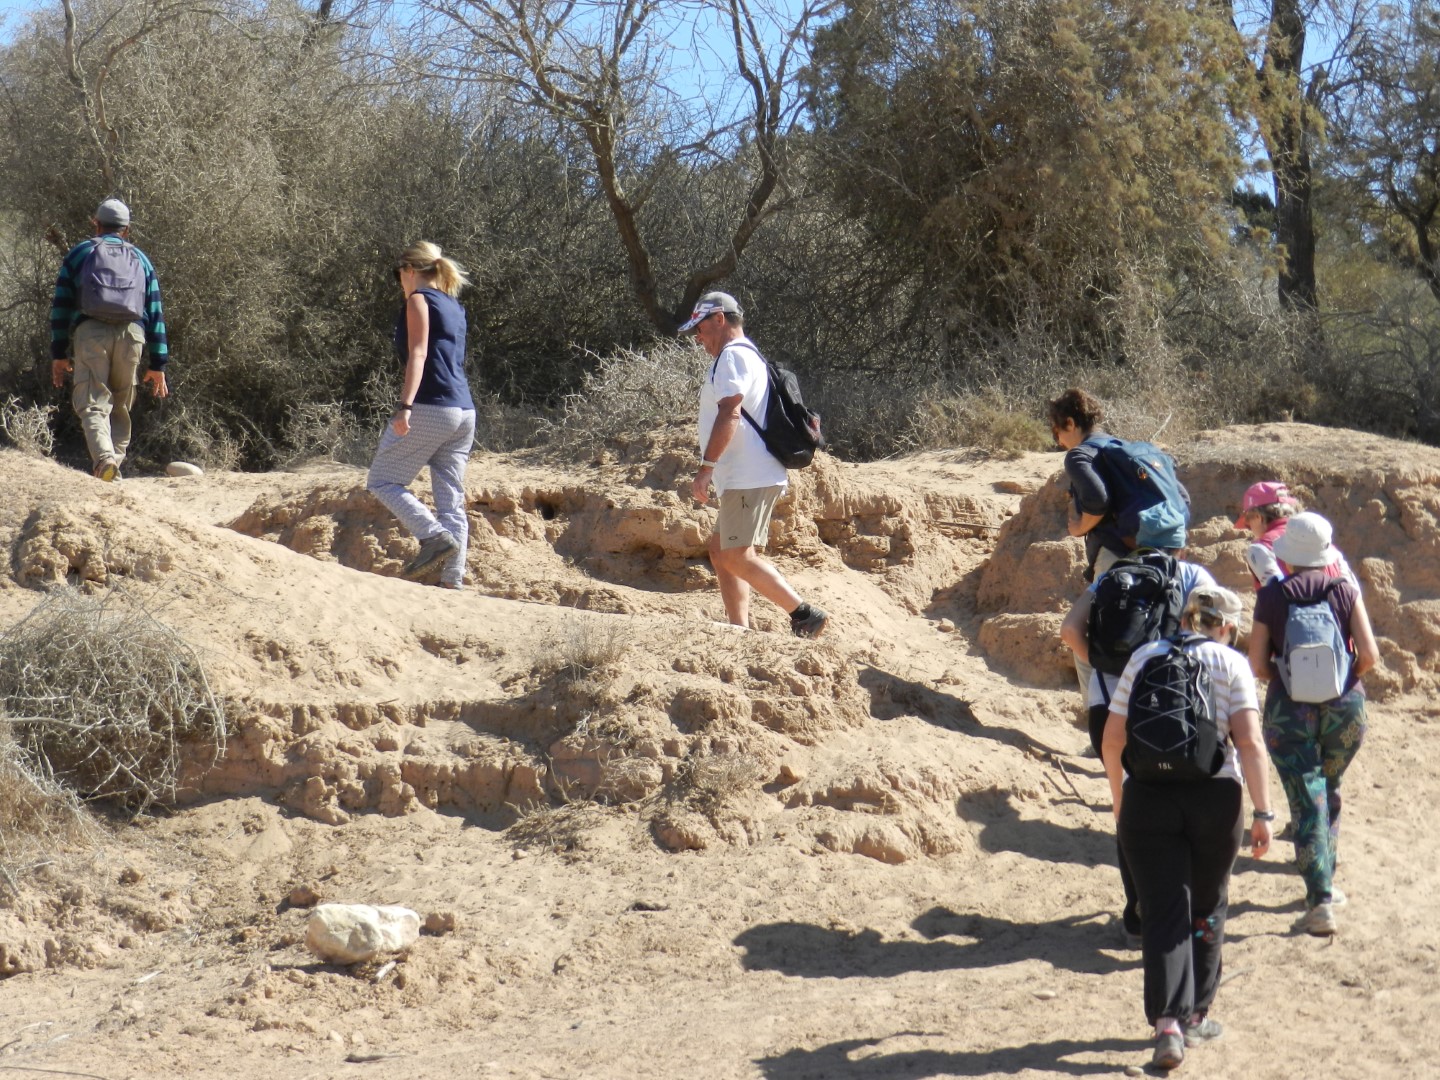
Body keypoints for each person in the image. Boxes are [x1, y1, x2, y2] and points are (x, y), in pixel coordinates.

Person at [1101, 586, 1275, 1072]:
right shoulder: (1231, 663)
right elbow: (1250, 743)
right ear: (1227, 626)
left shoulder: (1144, 656)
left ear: (1184, 618)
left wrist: (1120, 797)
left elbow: (1113, 739)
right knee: (1207, 902)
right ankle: (1197, 1015)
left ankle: (1168, 1026)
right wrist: (1263, 813)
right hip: (1215, 798)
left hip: (1147, 796)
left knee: (1161, 910)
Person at [1060, 551, 1219, 946]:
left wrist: (1104, 664)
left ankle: (1138, 916)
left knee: (1129, 810)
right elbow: (1212, 636)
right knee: (1180, 804)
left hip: (1107, 707)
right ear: (1179, 544)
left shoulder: (1111, 577)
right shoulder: (1193, 574)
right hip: (1171, 705)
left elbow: (1069, 631)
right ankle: (1179, 911)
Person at [1247, 512, 1380, 936]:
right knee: (1330, 786)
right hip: (1345, 707)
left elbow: (1257, 664)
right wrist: (1344, 680)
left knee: (1307, 798)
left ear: (1286, 557)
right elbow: (1370, 656)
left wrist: (1288, 680)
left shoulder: (1273, 596)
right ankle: (1327, 882)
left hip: (1290, 712)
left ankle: (1319, 898)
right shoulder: (1344, 588)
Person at [681, 291, 828, 637]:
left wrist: (706, 467)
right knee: (722, 551)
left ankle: (804, 614)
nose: (698, 337)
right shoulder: (745, 355)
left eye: (700, 328)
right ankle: (739, 629)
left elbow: (730, 411)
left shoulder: (732, 356)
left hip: (749, 475)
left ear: (720, 319)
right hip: (746, 475)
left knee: (734, 554)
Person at [1048, 389, 1190, 695]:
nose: (1059, 441)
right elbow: (1184, 498)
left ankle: (1099, 719)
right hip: (1165, 557)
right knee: (1152, 631)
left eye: (1057, 431)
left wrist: (1078, 527)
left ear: (1071, 423)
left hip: (1117, 559)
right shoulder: (1130, 450)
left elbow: (1097, 500)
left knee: (1091, 634)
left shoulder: (1080, 455)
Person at [366, 242, 475, 590]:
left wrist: (405, 407)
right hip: (465, 411)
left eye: (398, 273)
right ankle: (452, 580)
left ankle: (433, 537)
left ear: (409, 270)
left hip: (431, 406)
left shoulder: (418, 299)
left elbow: (418, 354)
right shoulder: (454, 305)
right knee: (451, 497)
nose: (399, 281)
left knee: (382, 480)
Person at [49, 198, 170, 481]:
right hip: (132, 335)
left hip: (91, 333)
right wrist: (158, 363)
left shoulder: (80, 253)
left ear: (96, 224)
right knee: (121, 403)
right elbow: (155, 310)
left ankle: (104, 460)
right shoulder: (141, 258)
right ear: (127, 229)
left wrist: (59, 353)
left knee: (91, 401)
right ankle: (113, 466)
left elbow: (61, 306)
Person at [1235, 481, 1356, 589]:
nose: (1249, 529)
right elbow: (1354, 596)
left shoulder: (1260, 549)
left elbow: (1275, 598)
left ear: (1258, 517)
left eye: (1247, 524)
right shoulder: (1331, 550)